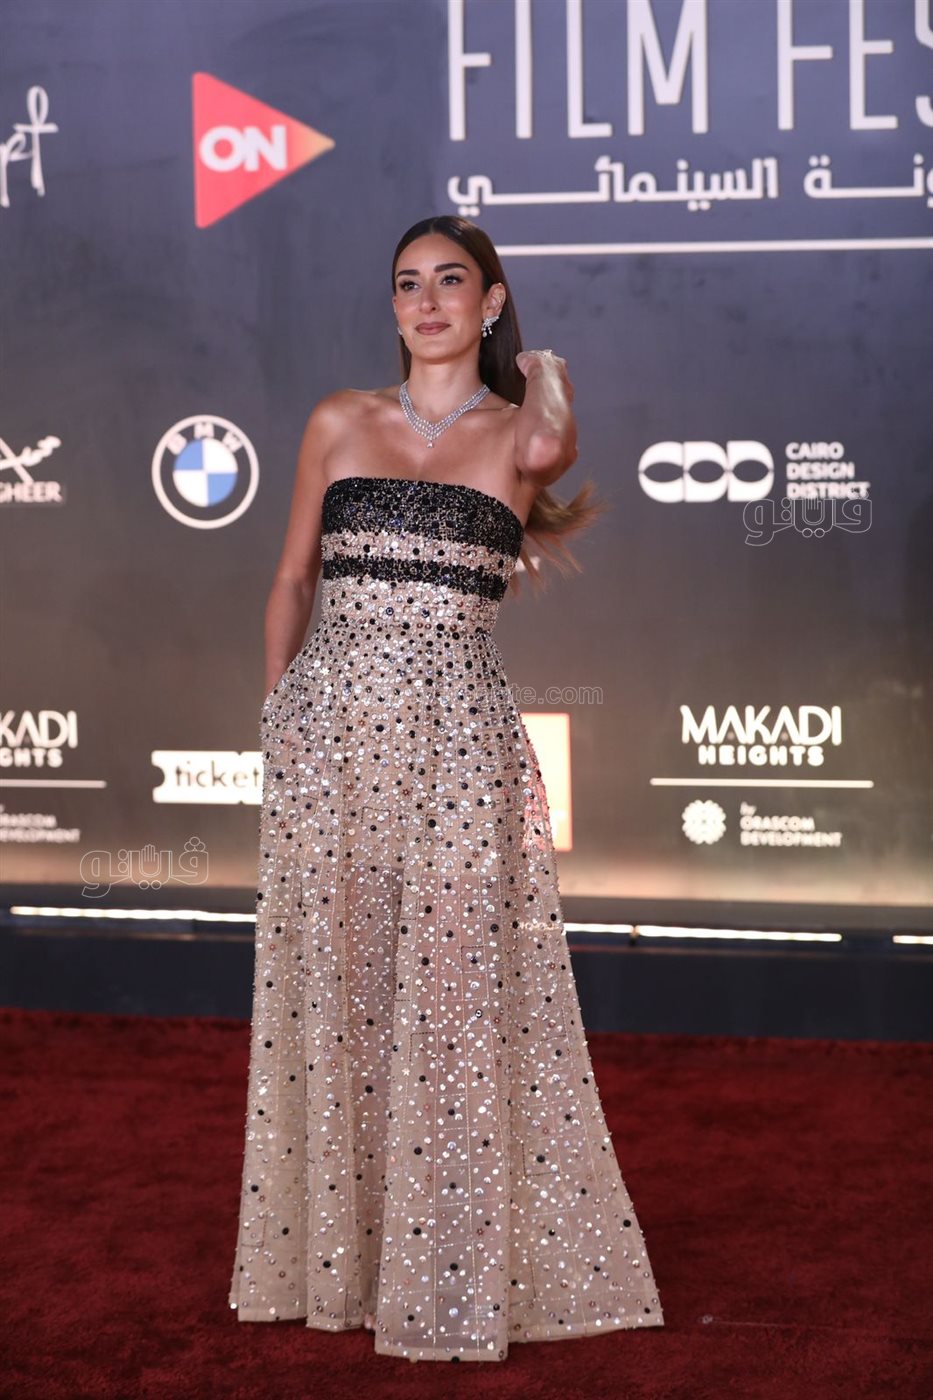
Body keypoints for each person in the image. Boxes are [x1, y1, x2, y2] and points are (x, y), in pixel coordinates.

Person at [228, 215, 665, 1362]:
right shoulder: (338, 420)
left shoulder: (519, 433)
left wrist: (541, 363)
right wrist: (280, 714)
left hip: (460, 746)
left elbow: (553, 440)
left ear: (489, 300)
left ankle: (453, 1276)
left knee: (456, 1006)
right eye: (407, 284)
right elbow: (290, 579)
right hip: (330, 743)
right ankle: (345, 1262)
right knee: (345, 995)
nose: (425, 303)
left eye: (450, 282)